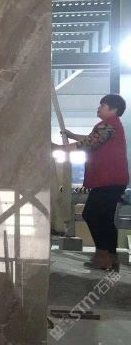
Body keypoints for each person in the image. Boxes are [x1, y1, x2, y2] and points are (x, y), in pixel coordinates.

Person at [55, 94, 129, 271]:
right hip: (113, 180)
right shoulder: (111, 126)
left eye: (103, 105)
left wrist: (57, 148)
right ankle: (110, 257)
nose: (99, 108)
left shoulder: (108, 125)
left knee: (92, 214)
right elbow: (92, 139)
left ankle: (103, 255)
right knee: (105, 218)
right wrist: (73, 135)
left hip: (108, 180)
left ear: (114, 109)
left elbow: (88, 144)